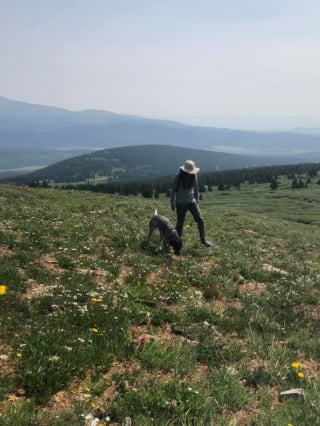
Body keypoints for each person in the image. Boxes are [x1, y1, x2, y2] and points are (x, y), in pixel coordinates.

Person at [170, 160, 211, 247]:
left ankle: (203, 240)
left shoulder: (194, 176)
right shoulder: (178, 177)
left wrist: (197, 200)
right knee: (180, 223)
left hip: (192, 201)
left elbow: (196, 189)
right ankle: (177, 242)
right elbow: (173, 190)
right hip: (180, 203)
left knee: (200, 220)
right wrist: (172, 203)